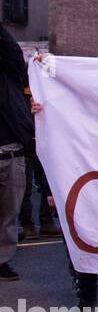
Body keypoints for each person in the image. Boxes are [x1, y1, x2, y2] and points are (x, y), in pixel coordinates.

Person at [0, 25, 35, 283]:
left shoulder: (9, 77)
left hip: (11, 153)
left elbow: (13, 53)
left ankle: (2, 261)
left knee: (8, 213)